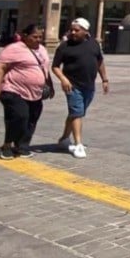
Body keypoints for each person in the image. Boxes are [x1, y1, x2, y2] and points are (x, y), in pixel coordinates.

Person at [0, 24, 49, 159]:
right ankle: (6, 145)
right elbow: (0, 67)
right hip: (13, 89)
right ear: (25, 36)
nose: (38, 39)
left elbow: (45, 68)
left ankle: (22, 146)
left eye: (40, 37)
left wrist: (49, 85)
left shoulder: (42, 49)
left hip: (35, 92)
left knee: (32, 119)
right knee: (19, 116)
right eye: (35, 37)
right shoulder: (13, 49)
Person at [52, 18, 110, 159]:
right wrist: (64, 79)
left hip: (89, 85)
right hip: (72, 85)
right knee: (77, 112)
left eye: (76, 30)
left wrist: (104, 79)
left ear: (85, 31)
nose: (73, 32)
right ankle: (78, 144)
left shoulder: (94, 44)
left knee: (76, 113)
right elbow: (55, 66)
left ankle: (64, 139)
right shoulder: (64, 46)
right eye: (71, 29)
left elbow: (100, 61)